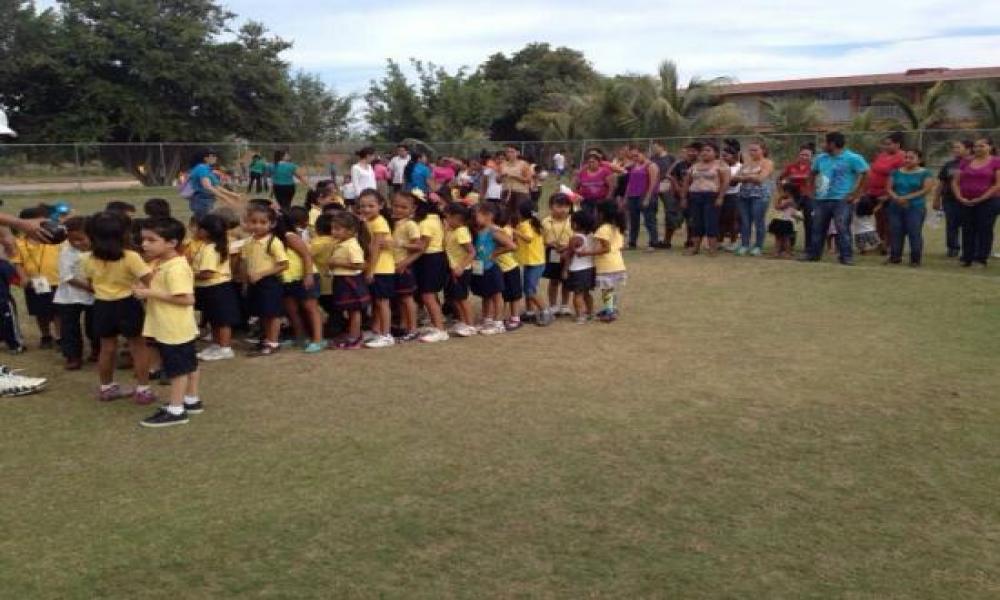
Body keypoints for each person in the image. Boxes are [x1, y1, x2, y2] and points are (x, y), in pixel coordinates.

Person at [132, 218, 202, 428]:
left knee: (177, 368)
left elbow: (187, 299)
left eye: (151, 240)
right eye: (143, 239)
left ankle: (176, 409)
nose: (144, 244)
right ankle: (191, 399)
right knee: (188, 363)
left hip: (174, 327)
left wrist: (150, 293)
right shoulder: (160, 263)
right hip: (169, 324)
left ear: (171, 242)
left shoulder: (176, 267)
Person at [82, 212, 154, 403]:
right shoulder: (131, 257)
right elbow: (150, 281)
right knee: (138, 347)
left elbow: (90, 283)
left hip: (102, 305)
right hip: (127, 303)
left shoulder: (88, 258)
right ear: (124, 234)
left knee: (107, 348)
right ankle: (143, 389)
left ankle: (106, 387)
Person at [802, 132, 870, 266]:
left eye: (825, 142)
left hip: (842, 200)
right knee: (817, 228)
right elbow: (812, 174)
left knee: (842, 227)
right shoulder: (821, 158)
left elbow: (866, 173)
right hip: (821, 199)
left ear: (832, 144)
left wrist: (856, 194)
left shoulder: (852, 158)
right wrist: (810, 191)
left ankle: (846, 256)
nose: (823, 145)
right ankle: (813, 254)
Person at [241, 203, 289, 356]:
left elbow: (284, 264)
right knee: (262, 313)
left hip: (269, 283)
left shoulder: (273, 242)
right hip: (254, 283)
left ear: (272, 224)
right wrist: (245, 281)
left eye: (262, 222)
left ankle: (273, 342)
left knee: (272, 314)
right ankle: (266, 339)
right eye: (253, 222)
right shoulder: (248, 242)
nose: (257, 226)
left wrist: (262, 274)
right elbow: (245, 262)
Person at [191, 214, 239, 361]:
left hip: (216, 287)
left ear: (206, 231)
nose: (195, 231)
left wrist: (188, 274)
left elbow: (207, 273)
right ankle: (217, 344)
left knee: (222, 319)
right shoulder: (207, 246)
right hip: (208, 288)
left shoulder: (211, 249)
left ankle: (225, 348)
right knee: (213, 318)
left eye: (198, 228)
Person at [12, 206, 60, 348]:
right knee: (41, 312)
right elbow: (17, 262)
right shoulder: (19, 243)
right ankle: (45, 335)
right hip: (35, 284)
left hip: (56, 281)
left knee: (58, 311)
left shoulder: (55, 240)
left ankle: (59, 336)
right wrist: (23, 278)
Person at [279, 208, 325, 353]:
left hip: (304, 276)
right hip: (288, 278)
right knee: (292, 309)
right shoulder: (274, 239)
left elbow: (306, 255)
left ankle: (318, 340)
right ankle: (300, 336)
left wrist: (308, 275)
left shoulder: (290, 236)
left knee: (310, 307)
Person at [54, 217, 97, 370]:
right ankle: (73, 356)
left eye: (80, 239)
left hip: (94, 296)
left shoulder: (98, 250)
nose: (77, 243)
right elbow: (67, 277)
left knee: (95, 325)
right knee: (69, 327)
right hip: (69, 296)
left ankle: (96, 350)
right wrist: (89, 287)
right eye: (72, 240)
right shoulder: (66, 252)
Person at [953, 137, 1000, 268]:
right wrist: (959, 197)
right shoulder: (965, 161)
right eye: (976, 146)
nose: (978, 148)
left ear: (990, 147)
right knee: (967, 229)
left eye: (982, 146)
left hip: (988, 202)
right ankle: (967, 258)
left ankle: (981, 259)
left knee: (984, 230)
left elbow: (997, 184)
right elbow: (955, 182)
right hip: (966, 201)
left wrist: (981, 198)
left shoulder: (996, 161)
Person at [470, 202, 515, 336]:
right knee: (485, 294)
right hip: (479, 267)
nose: (473, 217)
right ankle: (487, 319)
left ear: (488, 216)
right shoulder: (477, 230)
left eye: (476, 215)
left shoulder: (493, 231)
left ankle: (498, 322)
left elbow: (512, 246)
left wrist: (495, 253)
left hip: (491, 267)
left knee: (496, 295)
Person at [328, 211, 370, 349]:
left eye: (338, 229)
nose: (334, 232)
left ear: (351, 230)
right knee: (349, 309)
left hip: (350, 280)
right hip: (342, 280)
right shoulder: (341, 243)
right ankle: (352, 334)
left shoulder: (352, 245)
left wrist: (337, 263)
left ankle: (355, 337)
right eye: (333, 228)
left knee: (354, 309)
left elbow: (360, 264)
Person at [359, 190, 396, 349]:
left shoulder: (379, 222)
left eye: (371, 206)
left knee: (382, 302)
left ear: (380, 205)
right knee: (377, 301)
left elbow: (376, 248)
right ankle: (377, 330)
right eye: (362, 206)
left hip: (382, 268)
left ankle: (386, 335)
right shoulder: (369, 221)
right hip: (376, 267)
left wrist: (371, 270)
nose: (366, 209)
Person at [411, 191, 450, 343]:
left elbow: (422, 246)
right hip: (434, 258)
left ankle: (440, 329)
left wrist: (399, 244)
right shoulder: (434, 218)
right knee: (430, 294)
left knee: (428, 295)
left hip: (430, 258)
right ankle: (437, 325)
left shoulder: (426, 222)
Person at [886, 149, 934, 267]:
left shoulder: (926, 173)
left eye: (911, 158)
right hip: (896, 206)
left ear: (919, 160)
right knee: (896, 231)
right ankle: (895, 257)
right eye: (906, 157)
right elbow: (889, 188)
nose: (907, 160)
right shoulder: (896, 172)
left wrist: (906, 198)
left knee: (914, 232)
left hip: (915, 207)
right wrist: (897, 198)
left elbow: (926, 189)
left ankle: (915, 259)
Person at [683, 142, 730, 256]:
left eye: (708, 150)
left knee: (711, 222)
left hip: (711, 196)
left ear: (715, 153)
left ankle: (712, 249)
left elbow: (726, 182)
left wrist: (720, 197)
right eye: (703, 150)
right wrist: (684, 198)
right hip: (695, 196)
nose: (705, 152)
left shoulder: (721, 165)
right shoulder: (695, 166)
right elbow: (686, 181)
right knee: (696, 222)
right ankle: (695, 248)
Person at [863, 132, 906, 254]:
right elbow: (873, 171)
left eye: (889, 144)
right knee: (879, 220)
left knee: (888, 221)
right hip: (874, 193)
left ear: (898, 144)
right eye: (885, 144)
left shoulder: (902, 157)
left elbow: (900, 178)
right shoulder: (882, 155)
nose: (886, 147)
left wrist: (888, 195)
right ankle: (879, 243)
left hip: (888, 194)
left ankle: (888, 245)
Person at [585, 202, 627, 322]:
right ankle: (612, 308)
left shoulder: (603, 229)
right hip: (617, 263)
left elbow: (605, 248)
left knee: (606, 289)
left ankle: (609, 311)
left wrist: (587, 253)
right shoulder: (617, 227)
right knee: (610, 288)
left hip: (606, 265)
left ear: (601, 214)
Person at [390, 191, 422, 341]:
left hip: (404, 266)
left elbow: (419, 247)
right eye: (396, 206)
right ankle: (403, 326)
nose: (398, 210)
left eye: (403, 207)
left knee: (408, 298)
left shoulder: (411, 224)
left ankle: (413, 328)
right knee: (401, 298)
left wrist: (404, 260)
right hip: (394, 265)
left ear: (412, 209)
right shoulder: (394, 222)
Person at [733, 141, 775, 257]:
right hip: (744, 195)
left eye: (755, 150)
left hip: (760, 195)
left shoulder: (767, 163)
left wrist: (745, 178)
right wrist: (749, 177)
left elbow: (761, 179)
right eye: (750, 150)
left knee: (758, 220)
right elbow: (735, 177)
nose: (752, 152)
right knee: (745, 221)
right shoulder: (746, 163)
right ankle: (744, 245)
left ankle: (758, 246)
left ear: (763, 151)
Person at [933, 140, 973, 258]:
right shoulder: (949, 165)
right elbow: (941, 182)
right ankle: (953, 248)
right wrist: (936, 198)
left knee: (969, 225)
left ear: (968, 149)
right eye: (954, 148)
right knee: (951, 225)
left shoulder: (974, 163)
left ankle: (970, 249)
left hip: (969, 200)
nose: (955, 150)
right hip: (950, 200)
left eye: (958, 147)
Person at [515, 203, 552, 326]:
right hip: (533, 261)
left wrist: (515, 232)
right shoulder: (534, 223)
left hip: (534, 263)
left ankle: (545, 311)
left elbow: (528, 238)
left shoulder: (525, 225)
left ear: (520, 213)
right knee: (528, 288)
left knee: (530, 290)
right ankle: (530, 312)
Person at [443, 203, 477, 337]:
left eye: (448, 217)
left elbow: (472, 252)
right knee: (455, 298)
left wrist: (461, 267)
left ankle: (470, 325)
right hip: (453, 270)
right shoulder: (452, 230)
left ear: (457, 218)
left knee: (462, 299)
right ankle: (463, 322)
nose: (446, 219)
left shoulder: (461, 231)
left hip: (461, 271)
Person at [778, 144, 815, 253]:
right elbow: (779, 179)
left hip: (809, 197)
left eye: (807, 155)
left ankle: (809, 248)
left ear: (811, 156)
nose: (804, 157)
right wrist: (782, 194)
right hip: (793, 197)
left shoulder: (814, 167)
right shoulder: (791, 167)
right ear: (798, 155)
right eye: (802, 154)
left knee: (809, 222)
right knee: (789, 220)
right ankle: (788, 246)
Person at [542, 194, 573, 317]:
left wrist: (568, 247)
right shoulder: (545, 221)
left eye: (566, 206)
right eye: (559, 206)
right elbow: (541, 239)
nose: (563, 209)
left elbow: (577, 237)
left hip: (569, 252)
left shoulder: (572, 220)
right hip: (552, 252)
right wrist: (548, 243)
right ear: (551, 207)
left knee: (566, 279)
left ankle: (565, 305)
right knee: (554, 280)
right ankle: (553, 305)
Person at [187, 149, 243, 218]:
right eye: (213, 156)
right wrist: (225, 198)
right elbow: (208, 186)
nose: (215, 158)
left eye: (215, 156)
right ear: (205, 158)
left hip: (206, 200)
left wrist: (233, 195)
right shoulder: (202, 168)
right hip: (202, 200)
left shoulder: (207, 169)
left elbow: (216, 186)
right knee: (206, 224)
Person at [624, 146, 660, 251]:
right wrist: (626, 197)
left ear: (643, 153)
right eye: (633, 156)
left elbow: (653, 183)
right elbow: (630, 183)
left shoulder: (651, 165)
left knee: (649, 220)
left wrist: (648, 197)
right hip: (633, 196)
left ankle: (653, 242)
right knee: (634, 220)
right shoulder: (634, 166)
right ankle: (632, 242)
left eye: (637, 155)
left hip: (645, 195)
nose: (635, 158)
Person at [564, 210, 596, 324]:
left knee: (577, 294)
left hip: (577, 270)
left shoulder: (575, 238)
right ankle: (590, 312)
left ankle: (580, 315)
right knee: (587, 293)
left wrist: (565, 270)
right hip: (590, 268)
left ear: (576, 224)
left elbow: (569, 255)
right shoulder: (591, 236)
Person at [667, 142, 700, 249]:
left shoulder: (700, 165)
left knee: (691, 219)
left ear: (698, 152)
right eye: (689, 151)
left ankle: (689, 241)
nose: (691, 153)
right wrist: (676, 185)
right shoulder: (680, 164)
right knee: (672, 218)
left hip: (693, 195)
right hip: (678, 195)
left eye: (694, 151)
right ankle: (667, 241)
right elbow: (669, 175)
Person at [649, 141, 675, 249]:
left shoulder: (671, 158)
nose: (654, 149)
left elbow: (674, 171)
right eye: (653, 147)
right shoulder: (652, 158)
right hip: (654, 186)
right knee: (652, 211)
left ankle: (667, 240)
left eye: (656, 147)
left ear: (662, 146)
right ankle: (654, 239)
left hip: (667, 186)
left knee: (669, 211)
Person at [573, 152, 615, 216]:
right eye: (589, 162)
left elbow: (611, 187)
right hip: (585, 202)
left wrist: (607, 199)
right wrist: (576, 198)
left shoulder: (605, 172)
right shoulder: (582, 173)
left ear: (599, 162)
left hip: (601, 201)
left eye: (593, 162)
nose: (591, 164)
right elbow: (575, 187)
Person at [719, 142, 742, 252]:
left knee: (733, 220)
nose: (723, 158)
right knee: (721, 219)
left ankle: (734, 242)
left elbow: (733, 183)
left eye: (725, 155)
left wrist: (723, 180)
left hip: (733, 196)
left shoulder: (739, 167)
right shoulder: (719, 166)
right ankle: (720, 241)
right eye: (722, 155)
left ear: (733, 156)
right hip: (719, 195)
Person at [767, 183, 798, 259]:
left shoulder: (790, 201)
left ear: (788, 192)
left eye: (783, 191)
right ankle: (777, 252)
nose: (781, 193)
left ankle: (787, 253)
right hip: (779, 220)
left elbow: (778, 207)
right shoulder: (785, 200)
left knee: (786, 238)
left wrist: (778, 198)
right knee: (778, 238)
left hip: (785, 221)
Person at [499, 144, 532, 212]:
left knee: (519, 213)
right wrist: (501, 176)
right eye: (508, 152)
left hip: (520, 192)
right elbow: (498, 180)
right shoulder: (503, 164)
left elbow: (528, 180)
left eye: (512, 152)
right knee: (505, 213)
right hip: (506, 191)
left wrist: (515, 177)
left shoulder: (523, 164)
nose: (510, 154)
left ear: (518, 153)